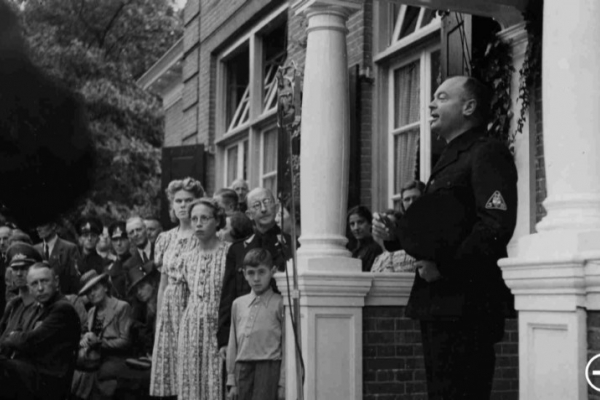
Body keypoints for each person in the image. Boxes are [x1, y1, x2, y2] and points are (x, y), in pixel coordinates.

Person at [379, 76, 517, 399]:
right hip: (439, 303)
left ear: (469, 107)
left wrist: (446, 269)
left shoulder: (486, 153)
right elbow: (442, 226)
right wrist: (393, 237)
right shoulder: (448, 157)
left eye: (441, 97)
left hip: (466, 305)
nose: (430, 104)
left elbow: (494, 225)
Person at [217, 187, 292, 359]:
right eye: (257, 205)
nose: (264, 209)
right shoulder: (237, 250)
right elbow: (228, 295)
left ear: (276, 207)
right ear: (249, 214)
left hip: (280, 328)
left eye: (267, 203)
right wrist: (224, 338)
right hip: (246, 331)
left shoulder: (291, 245)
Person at [150, 177, 205, 398]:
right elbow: (163, 283)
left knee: (191, 365)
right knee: (169, 365)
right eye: (178, 200)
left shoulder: (204, 236)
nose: (183, 205)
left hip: (193, 303)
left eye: (188, 200)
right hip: (169, 307)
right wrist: (159, 320)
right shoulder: (165, 238)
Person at [0, 262, 80, 400]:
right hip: (31, 373)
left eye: (44, 281)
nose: (40, 288)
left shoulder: (62, 309)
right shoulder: (39, 307)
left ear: (56, 281)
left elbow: (29, 341)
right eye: (34, 284)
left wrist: (15, 337)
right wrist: (15, 337)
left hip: (49, 381)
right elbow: (17, 334)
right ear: (29, 288)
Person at [177, 198, 230, 400]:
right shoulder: (187, 257)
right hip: (190, 328)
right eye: (194, 219)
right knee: (191, 385)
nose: (198, 223)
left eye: (204, 218)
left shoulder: (229, 253)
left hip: (218, 327)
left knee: (216, 383)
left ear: (217, 220)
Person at [226, 248, 285, 400]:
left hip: (268, 367)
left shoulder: (280, 304)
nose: (256, 278)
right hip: (242, 368)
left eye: (261, 272)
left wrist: (282, 383)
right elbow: (233, 343)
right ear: (244, 274)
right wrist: (231, 380)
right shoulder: (238, 304)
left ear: (272, 271)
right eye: (251, 273)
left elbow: (286, 346)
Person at [71, 271, 132, 400]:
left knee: (93, 374)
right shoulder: (92, 311)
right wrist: (84, 339)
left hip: (115, 358)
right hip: (95, 358)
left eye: (95, 288)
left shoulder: (121, 307)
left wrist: (98, 343)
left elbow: (125, 342)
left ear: (105, 287)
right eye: (88, 292)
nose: (92, 294)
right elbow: (90, 334)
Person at [371, 180, 425, 273]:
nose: (411, 202)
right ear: (402, 203)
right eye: (407, 199)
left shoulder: (433, 221)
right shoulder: (403, 226)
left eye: (415, 198)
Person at [0, 243, 43, 341]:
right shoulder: (13, 305)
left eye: (24, 268)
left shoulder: (42, 303)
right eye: (15, 269)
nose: (19, 273)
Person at [35, 222, 82, 295]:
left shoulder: (69, 249)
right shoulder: (35, 250)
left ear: (53, 226)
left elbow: (76, 281)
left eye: (42, 225)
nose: (38, 229)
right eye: (37, 226)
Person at [347, 205, 382, 272]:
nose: (356, 228)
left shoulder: (374, 249)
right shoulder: (354, 251)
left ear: (370, 223)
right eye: (352, 224)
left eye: (360, 222)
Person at [106, 222, 132, 300]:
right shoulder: (109, 268)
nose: (119, 243)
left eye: (122, 239)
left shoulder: (136, 262)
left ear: (129, 240)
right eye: (115, 240)